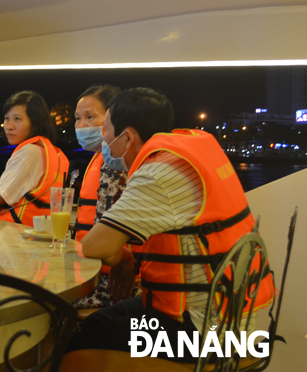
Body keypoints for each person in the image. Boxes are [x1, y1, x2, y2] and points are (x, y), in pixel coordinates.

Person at [64, 88, 274, 360]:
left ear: (128, 137)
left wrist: (123, 255)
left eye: (106, 130)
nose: (103, 138)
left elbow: (94, 246)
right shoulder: (189, 154)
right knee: (94, 323)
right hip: (227, 318)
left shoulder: (159, 174)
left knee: (79, 345)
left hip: (203, 335)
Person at [73, 84, 139, 310]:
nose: (82, 126)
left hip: (110, 283)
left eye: (90, 117)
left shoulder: (116, 164)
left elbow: (107, 243)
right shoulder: (102, 157)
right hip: (93, 270)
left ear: (113, 119)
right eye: (78, 118)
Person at [0, 90, 69, 226]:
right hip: (38, 233)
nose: (9, 126)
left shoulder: (29, 152)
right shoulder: (53, 153)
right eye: (7, 118)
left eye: (17, 119)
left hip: (12, 236)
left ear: (35, 123)